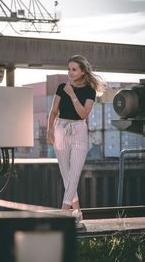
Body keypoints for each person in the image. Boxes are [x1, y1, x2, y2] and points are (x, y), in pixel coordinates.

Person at [47, 54, 106, 225]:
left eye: (74, 70)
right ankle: (77, 211)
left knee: (74, 173)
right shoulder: (61, 87)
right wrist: (50, 130)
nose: (70, 73)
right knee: (66, 174)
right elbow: (53, 111)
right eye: (69, 69)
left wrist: (72, 94)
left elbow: (83, 114)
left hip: (79, 131)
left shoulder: (89, 91)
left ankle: (64, 212)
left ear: (82, 72)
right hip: (61, 129)